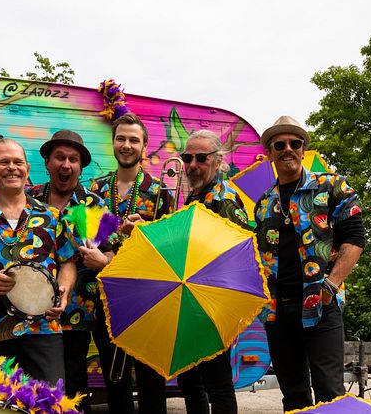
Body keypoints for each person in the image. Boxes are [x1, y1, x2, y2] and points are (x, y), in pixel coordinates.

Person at [254, 115, 365, 411]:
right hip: (278, 311)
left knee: (329, 389)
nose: (287, 148)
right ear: (270, 153)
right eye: (280, 144)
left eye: (295, 142)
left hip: (321, 304)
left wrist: (331, 284)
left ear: (303, 149)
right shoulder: (264, 203)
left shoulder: (331, 187)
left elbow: (355, 240)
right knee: (293, 394)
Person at [0, 138, 78, 386]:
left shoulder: (52, 216)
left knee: (49, 403)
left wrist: (64, 295)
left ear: (27, 169)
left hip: (44, 326)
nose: (11, 167)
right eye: (3, 162)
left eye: (17, 162)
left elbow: (68, 262)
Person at [88, 112, 173, 414]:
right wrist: (104, 252)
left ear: (144, 146)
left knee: (152, 383)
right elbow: (92, 239)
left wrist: (144, 233)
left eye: (133, 140)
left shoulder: (161, 191)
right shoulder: (94, 191)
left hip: (149, 300)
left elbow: (171, 248)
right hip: (107, 300)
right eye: (121, 139)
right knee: (116, 383)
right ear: (112, 143)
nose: (126, 145)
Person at [27, 130, 109, 412]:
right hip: (30, 312)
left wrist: (102, 258)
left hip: (77, 314)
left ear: (81, 167)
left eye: (73, 159)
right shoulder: (28, 199)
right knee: (34, 387)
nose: (66, 165)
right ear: (47, 162)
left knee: (74, 384)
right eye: (59, 157)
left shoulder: (95, 206)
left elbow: (113, 251)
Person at [176, 130, 246, 414]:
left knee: (216, 384)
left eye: (201, 158)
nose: (192, 164)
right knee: (190, 382)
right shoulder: (195, 195)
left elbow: (238, 257)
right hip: (190, 305)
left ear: (218, 162)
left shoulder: (224, 198)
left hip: (211, 308)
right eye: (187, 157)